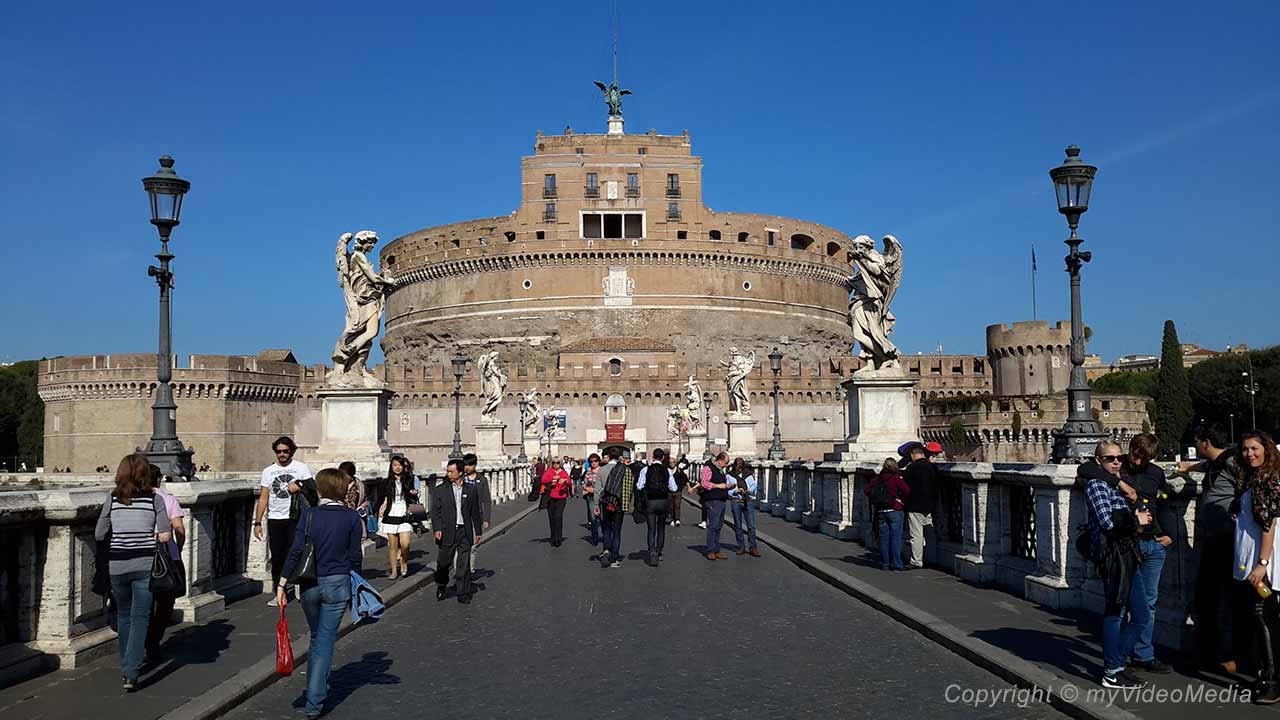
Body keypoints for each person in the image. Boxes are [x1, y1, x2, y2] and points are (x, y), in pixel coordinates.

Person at [277, 468, 362, 719]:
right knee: (324, 641)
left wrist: (282, 584)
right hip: (337, 583)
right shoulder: (351, 517)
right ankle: (314, 701)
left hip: (310, 584)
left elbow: (295, 551)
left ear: (321, 489)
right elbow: (355, 557)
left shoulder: (309, 515)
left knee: (317, 638)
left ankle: (316, 687)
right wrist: (357, 585)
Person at [94, 454, 172, 691]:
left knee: (124, 615)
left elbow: (99, 533)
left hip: (117, 565)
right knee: (140, 617)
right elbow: (165, 535)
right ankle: (131, 671)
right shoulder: (154, 499)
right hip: (144, 565)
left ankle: (126, 664)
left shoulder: (112, 498)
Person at [1082, 440, 1152, 690]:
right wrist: (1135, 520)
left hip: (1128, 553)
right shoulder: (1097, 484)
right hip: (1113, 556)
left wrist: (1136, 520)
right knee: (1115, 613)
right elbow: (1107, 522)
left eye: (1119, 458)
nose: (1116, 462)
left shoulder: (1116, 482)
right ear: (1098, 461)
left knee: (1141, 615)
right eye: (1110, 458)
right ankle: (1112, 670)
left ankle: (1116, 663)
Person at [1179, 423, 1244, 673]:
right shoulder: (1218, 463)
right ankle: (1210, 653)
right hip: (1214, 538)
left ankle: (1226, 656)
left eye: (1197, 442)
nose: (1196, 446)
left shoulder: (1232, 462)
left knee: (1220, 598)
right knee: (1208, 597)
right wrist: (1188, 467)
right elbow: (1207, 466)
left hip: (1226, 539)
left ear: (1206, 442)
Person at [1118, 433, 1174, 674]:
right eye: (1136, 455)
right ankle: (1119, 655)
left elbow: (1165, 503)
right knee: (1121, 601)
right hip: (1126, 543)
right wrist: (1122, 483)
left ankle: (1143, 654)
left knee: (1149, 602)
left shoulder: (1156, 473)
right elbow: (1086, 470)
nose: (1139, 461)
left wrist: (1169, 534)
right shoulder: (1116, 465)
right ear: (1130, 448)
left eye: (1145, 458)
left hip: (1153, 542)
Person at [1233, 431, 1280, 704]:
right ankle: (1265, 675)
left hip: (1263, 565)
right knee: (1264, 616)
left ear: (1266, 450)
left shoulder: (1266, 481)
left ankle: (1272, 681)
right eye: (1245, 449)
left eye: (1254, 448)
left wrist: (1262, 564)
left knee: (1263, 616)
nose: (1249, 454)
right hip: (1254, 561)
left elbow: (1268, 525)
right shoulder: (1256, 479)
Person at [253, 436, 315, 607]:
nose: (282, 454)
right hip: (275, 519)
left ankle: (300, 585)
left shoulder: (301, 468)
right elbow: (263, 497)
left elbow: (312, 489)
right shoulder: (268, 471)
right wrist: (257, 523)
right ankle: (280, 593)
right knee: (277, 557)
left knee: (296, 552)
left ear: (291, 451)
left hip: (296, 517)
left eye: (285, 451)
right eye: (279, 451)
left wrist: (299, 485)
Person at [144, 463, 187, 661]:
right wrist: (178, 549)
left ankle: (142, 638)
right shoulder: (168, 499)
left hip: (143, 555)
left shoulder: (135, 498)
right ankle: (153, 640)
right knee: (165, 602)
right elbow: (179, 529)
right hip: (167, 557)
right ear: (159, 479)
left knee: (144, 601)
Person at [432, 459, 484, 603]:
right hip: (447, 531)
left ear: (460, 473)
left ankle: (463, 592)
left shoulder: (471, 489)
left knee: (463, 564)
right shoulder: (440, 490)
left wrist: (478, 531)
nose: (448, 474)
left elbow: (475, 512)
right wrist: (437, 529)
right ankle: (441, 584)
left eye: (451, 471)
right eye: (447, 471)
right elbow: (435, 512)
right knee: (443, 563)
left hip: (464, 531)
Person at [377, 454, 419, 580]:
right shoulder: (385, 482)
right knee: (393, 546)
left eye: (400, 465)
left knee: (405, 543)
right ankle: (394, 571)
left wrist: (414, 493)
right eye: (395, 465)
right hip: (391, 513)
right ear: (391, 467)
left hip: (405, 512)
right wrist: (373, 511)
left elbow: (412, 497)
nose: (397, 467)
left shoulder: (409, 480)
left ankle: (404, 561)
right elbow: (380, 498)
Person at [863, 458, 910, 570]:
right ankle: (896, 564)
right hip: (895, 510)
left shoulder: (877, 479)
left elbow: (866, 490)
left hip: (880, 511)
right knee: (895, 538)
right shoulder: (896, 478)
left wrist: (876, 499)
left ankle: (885, 563)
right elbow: (907, 491)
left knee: (883, 539)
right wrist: (898, 498)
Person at [900, 441, 939, 569]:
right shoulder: (932, 467)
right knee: (930, 533)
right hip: (930, 504)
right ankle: (932, 558)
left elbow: (905, 487)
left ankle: (916, 560)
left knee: (916, 534)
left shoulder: (912, 468)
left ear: (912, 454)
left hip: (915, 505)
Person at [637, 448, 677, 566]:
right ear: (663, 458)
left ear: (653, 457)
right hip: (663, 501)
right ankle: (659, 551)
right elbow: (674, 488)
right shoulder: (667, 470)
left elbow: (639, 486)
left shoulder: (646, 470)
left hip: (650, 502)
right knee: (661, 528)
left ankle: (652, 551)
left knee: (651, 528)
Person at [595, 448, 629, 568]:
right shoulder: (624, 469)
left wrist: (596, 505)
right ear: (619, 457)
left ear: (608, 456)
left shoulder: (602, 470)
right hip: (618, 503)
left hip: (605, 502)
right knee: (616, 531)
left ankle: (606, 550)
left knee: (606, 528)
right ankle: (614, 558)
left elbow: (597, 489)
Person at [462, 454, 493, 576]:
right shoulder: (460, 478)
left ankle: (470, 570)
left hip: (476, 517)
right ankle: (460, 570)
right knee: (460, 546)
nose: (467, 467)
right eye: (465, 465)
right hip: (461, 516)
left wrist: (486, 519)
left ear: (475, 465)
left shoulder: (482, 480)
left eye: (470, 465)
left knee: (473, 545)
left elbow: (486, 500)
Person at [700, 452, 732, 560]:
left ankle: (716, 549)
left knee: (719, 526)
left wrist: (727, 486)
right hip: (712, 500)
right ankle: (711, 550)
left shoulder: (720, 470)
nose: (726, 465)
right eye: (726, 463)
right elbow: (704, 483)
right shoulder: (708, 468)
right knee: (713, 526)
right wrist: (719, 486)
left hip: (721, 500)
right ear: (720, 460)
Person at [727, 457, 761, 557]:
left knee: (751, 526)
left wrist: (749, 490)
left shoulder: (748, 474)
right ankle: (741, 547)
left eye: (740, 466)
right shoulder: (729, 475)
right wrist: (735, 491)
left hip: (747, 501)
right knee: (738, 525)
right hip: (736, 501)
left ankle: (753, 547)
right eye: (737, 466)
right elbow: (727, 489)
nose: (739, 468)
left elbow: (754, 485)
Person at [540, 457, 572, 546]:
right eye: (554, 463)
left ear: (560, 463)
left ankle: (558, 538)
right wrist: (553, 478)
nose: (555, 464)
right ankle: (553, 537)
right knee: (552, 518)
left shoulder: (563, 472)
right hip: (550, 497)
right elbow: (543, 480)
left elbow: (569, 482)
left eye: (557, 463)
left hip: (561, 497)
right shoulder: (549, 471)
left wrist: (565, 480)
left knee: (558, 516)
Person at [581, 454, 601, 545]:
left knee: (602, 518)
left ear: (598, 461)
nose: (593, 463)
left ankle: (606, 536)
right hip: (591, 497)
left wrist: (594, 489)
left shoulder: (602, 471)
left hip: (601, 497)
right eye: (591, 461)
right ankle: (594, 536)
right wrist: (586, 488)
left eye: (595, 461)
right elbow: (584, 483)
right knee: (593, 518)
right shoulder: (588, 472)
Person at [671, 454, 689, 527]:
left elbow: (685, 479)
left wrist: (683, 486)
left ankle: (677, 519)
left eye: (672, 462)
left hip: (678, 490)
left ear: (675, 463)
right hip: (669, 491)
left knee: (677, 504)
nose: (671, 464)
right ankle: (672, 519)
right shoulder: (667, 470)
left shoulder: (679, 470)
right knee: (671, 505)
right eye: (670, 462)